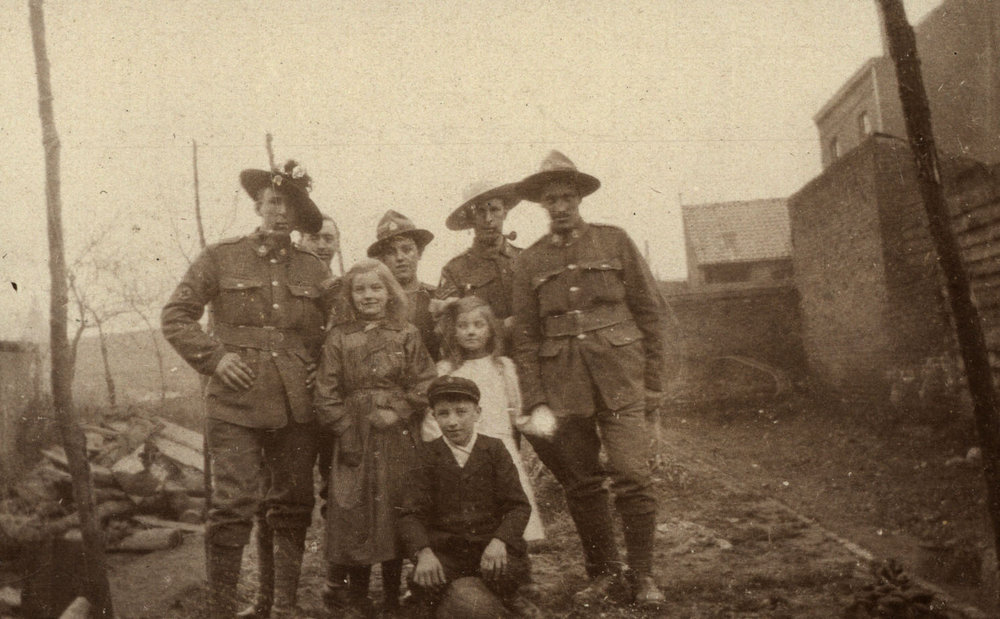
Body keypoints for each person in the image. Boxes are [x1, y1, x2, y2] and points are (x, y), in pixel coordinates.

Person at [162, 160, 333, 618]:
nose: (281, 213)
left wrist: (322, 369)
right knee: (233, 504)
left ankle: (279, 608)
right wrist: (216, 359)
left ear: (299, 217)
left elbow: (340, 328)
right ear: (259, 204)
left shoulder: (315, 270)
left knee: (292, 506)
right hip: (235, 403)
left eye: (291, 206)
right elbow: (175, 316)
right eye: (274, 202)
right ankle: (221, 610)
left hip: (297, 406)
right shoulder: (220, 256)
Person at [510, 151, 668, 607]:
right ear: (541, 205)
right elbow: (525, 338)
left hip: (622, 378)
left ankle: (642, 577)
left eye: (566, 197)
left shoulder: (614, 241)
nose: (559, 206)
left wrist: (652, 383)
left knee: (633, 475)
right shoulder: (531, 261)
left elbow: (648, 312)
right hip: (565, 385)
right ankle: (603, 574)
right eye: (550, 200)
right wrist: (537, 398)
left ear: (579, 197)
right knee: (581, 483)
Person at [313, 258, 437, 617]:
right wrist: (346, 430)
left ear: (389, 292)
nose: (369, 295)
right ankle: (357, 598)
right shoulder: (339, 336)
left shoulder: (407, 333)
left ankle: (394, 596)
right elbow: (325, 393)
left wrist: (398, 409)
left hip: (398, 437)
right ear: (350, 296)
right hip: (355, 438)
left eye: (376, 287)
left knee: (397, 509)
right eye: (360, 289)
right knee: (356, 513)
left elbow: (426, 381)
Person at [400, 375, 540, 618]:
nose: (453, 422)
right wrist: (423, 553)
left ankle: (512, 597)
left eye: (461, 412)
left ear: (477, 413)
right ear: (433, 415)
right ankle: (425, 601)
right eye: (444, 414)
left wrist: (500, 541)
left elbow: (518, 506)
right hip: (449, 552)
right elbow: (410, 514)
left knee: (505, 574)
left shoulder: (494, 449)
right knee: (425, 584)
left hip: (490, 547)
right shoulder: (425, 455)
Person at [422, 296, 544, 542]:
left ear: (491, 330)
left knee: (508, 504)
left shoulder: (502, 367)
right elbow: (433, 417)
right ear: (453, 331)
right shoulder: (446, 370)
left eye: (479, 325)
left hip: (501, 449)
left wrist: (539, 423)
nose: (471, 332)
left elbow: (517, 411)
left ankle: (513, 561)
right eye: (463, 326)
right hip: (461, 450)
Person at [438, 180, 522, 325]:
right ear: (471, 218)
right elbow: (446, 326)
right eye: (480, 211)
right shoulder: (454, 270)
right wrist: (502, 327)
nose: (488, 219)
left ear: (505, 213)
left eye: (494, 210)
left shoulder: (525, 259)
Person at [367, 210, 440, 359]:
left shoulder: (436, 297)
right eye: (391, 252)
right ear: (381, 259)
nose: (400, 257)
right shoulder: (374, 302)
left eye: (407, 249)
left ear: (419, 253)